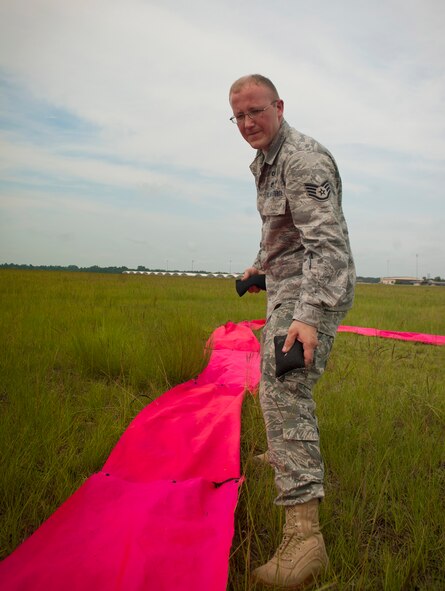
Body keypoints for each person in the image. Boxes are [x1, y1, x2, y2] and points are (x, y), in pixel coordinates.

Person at [229, 74, 355, 588]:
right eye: (237, 116)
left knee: (284, 388)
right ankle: (284, 448)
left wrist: (307, 316)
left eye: (255, 111)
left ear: (279, 106)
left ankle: (305, 542)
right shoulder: (267, 162)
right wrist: (259, 267)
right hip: (287, 286)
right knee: (279, 385)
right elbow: (283, 233)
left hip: (314, 292)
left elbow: (329, 249)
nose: (247, 123)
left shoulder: (302, 159)